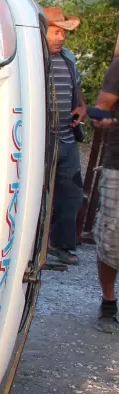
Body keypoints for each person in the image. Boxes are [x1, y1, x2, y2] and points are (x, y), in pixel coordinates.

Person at [45, 7, 87, 267]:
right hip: (42, 140)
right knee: (39, 194)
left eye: (64, 33)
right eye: (56, 32)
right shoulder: (33, 59)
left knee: (70, 195)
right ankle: (35, 249)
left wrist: (82, 107)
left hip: (66, 138)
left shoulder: (67, 59)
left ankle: (62, 246)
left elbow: (77, 90)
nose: (61, 38)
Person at [91, 52, 119, 332]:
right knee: (112, 239)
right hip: (118, 165)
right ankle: (109, 302)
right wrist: (104, 120)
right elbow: (101, 111)